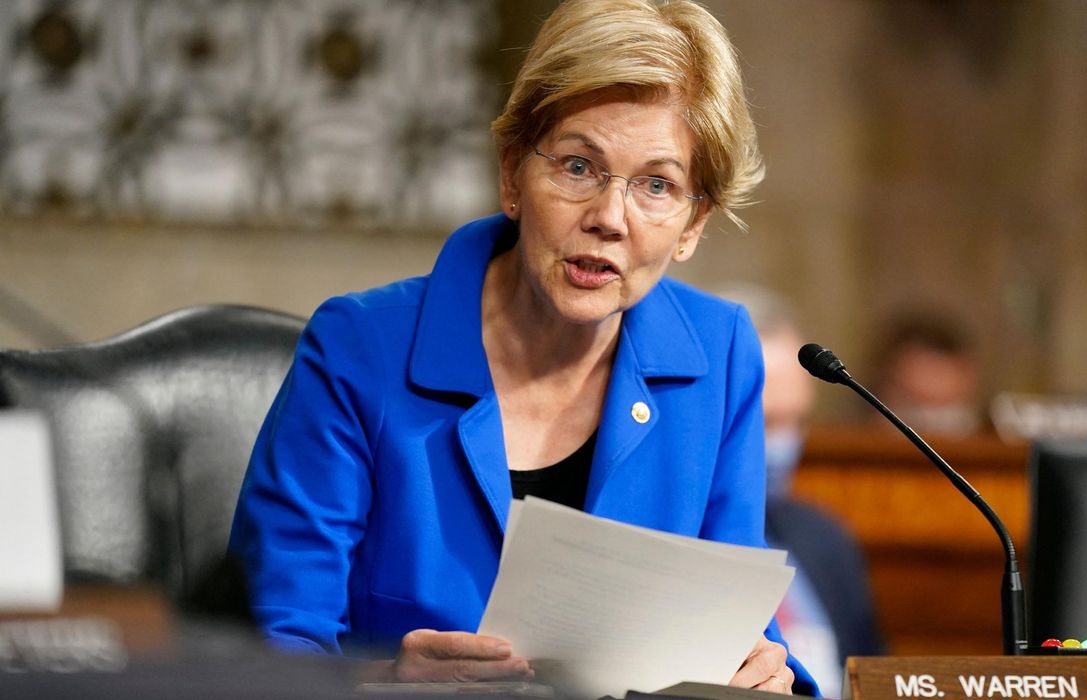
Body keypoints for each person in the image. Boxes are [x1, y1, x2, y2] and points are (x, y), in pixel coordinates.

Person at [228, 0, 816, 695]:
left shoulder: (720, 355)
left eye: (658, 185)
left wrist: (764, 677)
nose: (609, 218)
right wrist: (384, 682)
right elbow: (268, 650)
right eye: (577, 166)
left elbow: (738, 625)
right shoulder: (360, 347)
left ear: (693, 224)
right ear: (512, 175)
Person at [721, 286, 886, 697]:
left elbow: (876, 679)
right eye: (767, 421)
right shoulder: (673, 534)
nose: (784, 443)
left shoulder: (825, 538)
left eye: (797, 421)